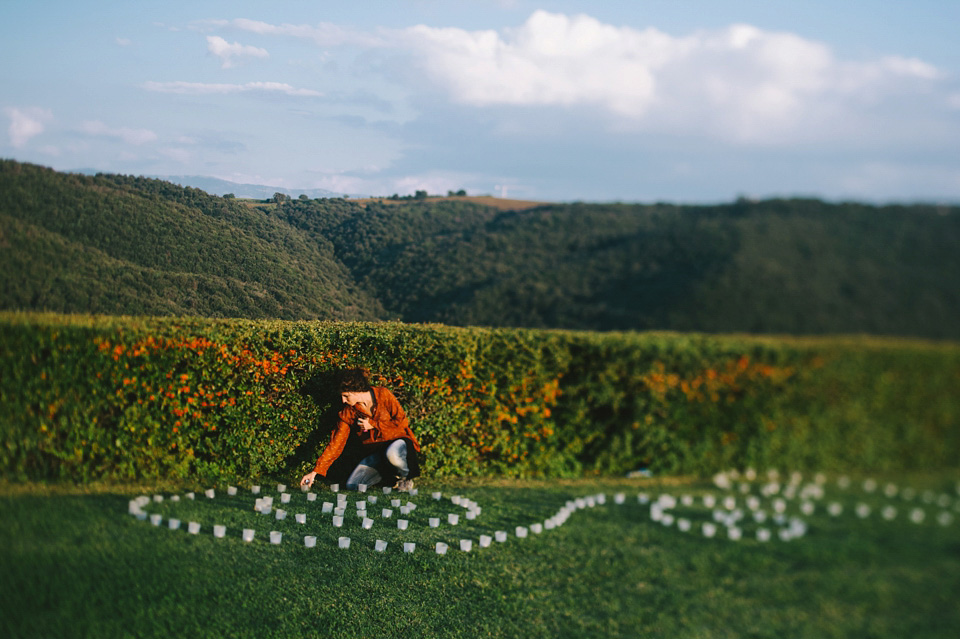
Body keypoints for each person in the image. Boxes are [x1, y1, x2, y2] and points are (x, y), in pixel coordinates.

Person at [299, 368, 420, 492]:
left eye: (346, 396)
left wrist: (374, 424)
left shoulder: (383, 394)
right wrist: (315, 472)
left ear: (356, 390)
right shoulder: (348, 412)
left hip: (398, 444)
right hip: (378, 453)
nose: (343, 400)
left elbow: (402, 422)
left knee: (392, 453)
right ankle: (390, 477)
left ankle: (406, 477)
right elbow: (336, 443)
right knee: (354, 485)